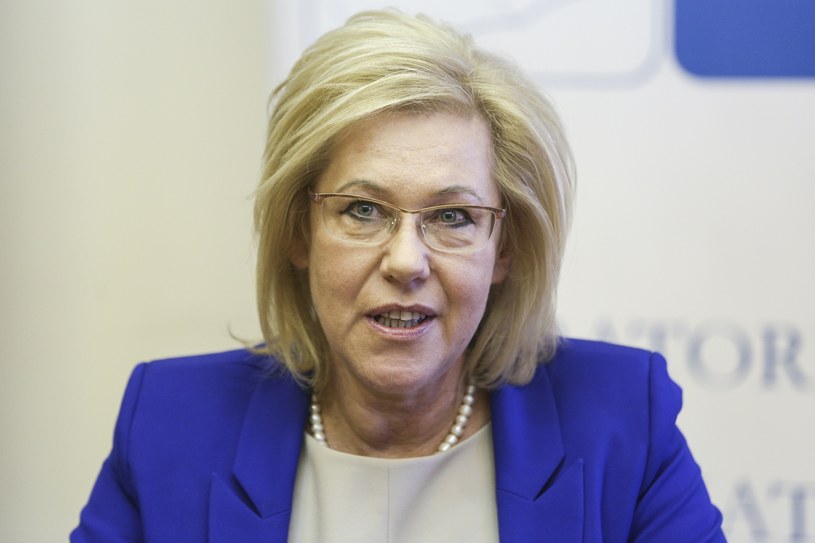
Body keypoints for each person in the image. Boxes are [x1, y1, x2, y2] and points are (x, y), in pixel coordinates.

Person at [71, 9, 726, 542]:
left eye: (452, 216)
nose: (406, 261)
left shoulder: (620, 422)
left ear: (504, 249)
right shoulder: (170, 423)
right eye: (363, 210)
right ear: (299, 232)